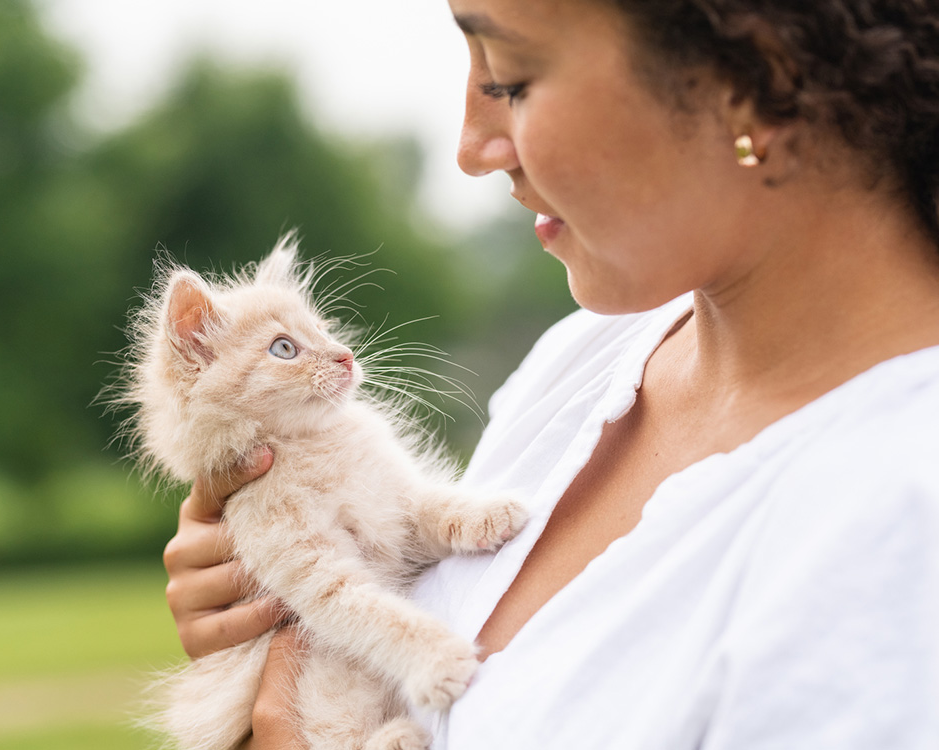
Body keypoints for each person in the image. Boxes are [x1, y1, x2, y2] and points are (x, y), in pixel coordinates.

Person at [162, 0, 939, 747]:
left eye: (510, 78)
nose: (470, 146)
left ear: (754, 81)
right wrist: (267, 627)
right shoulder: (578, 362)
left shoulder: (898, 526)